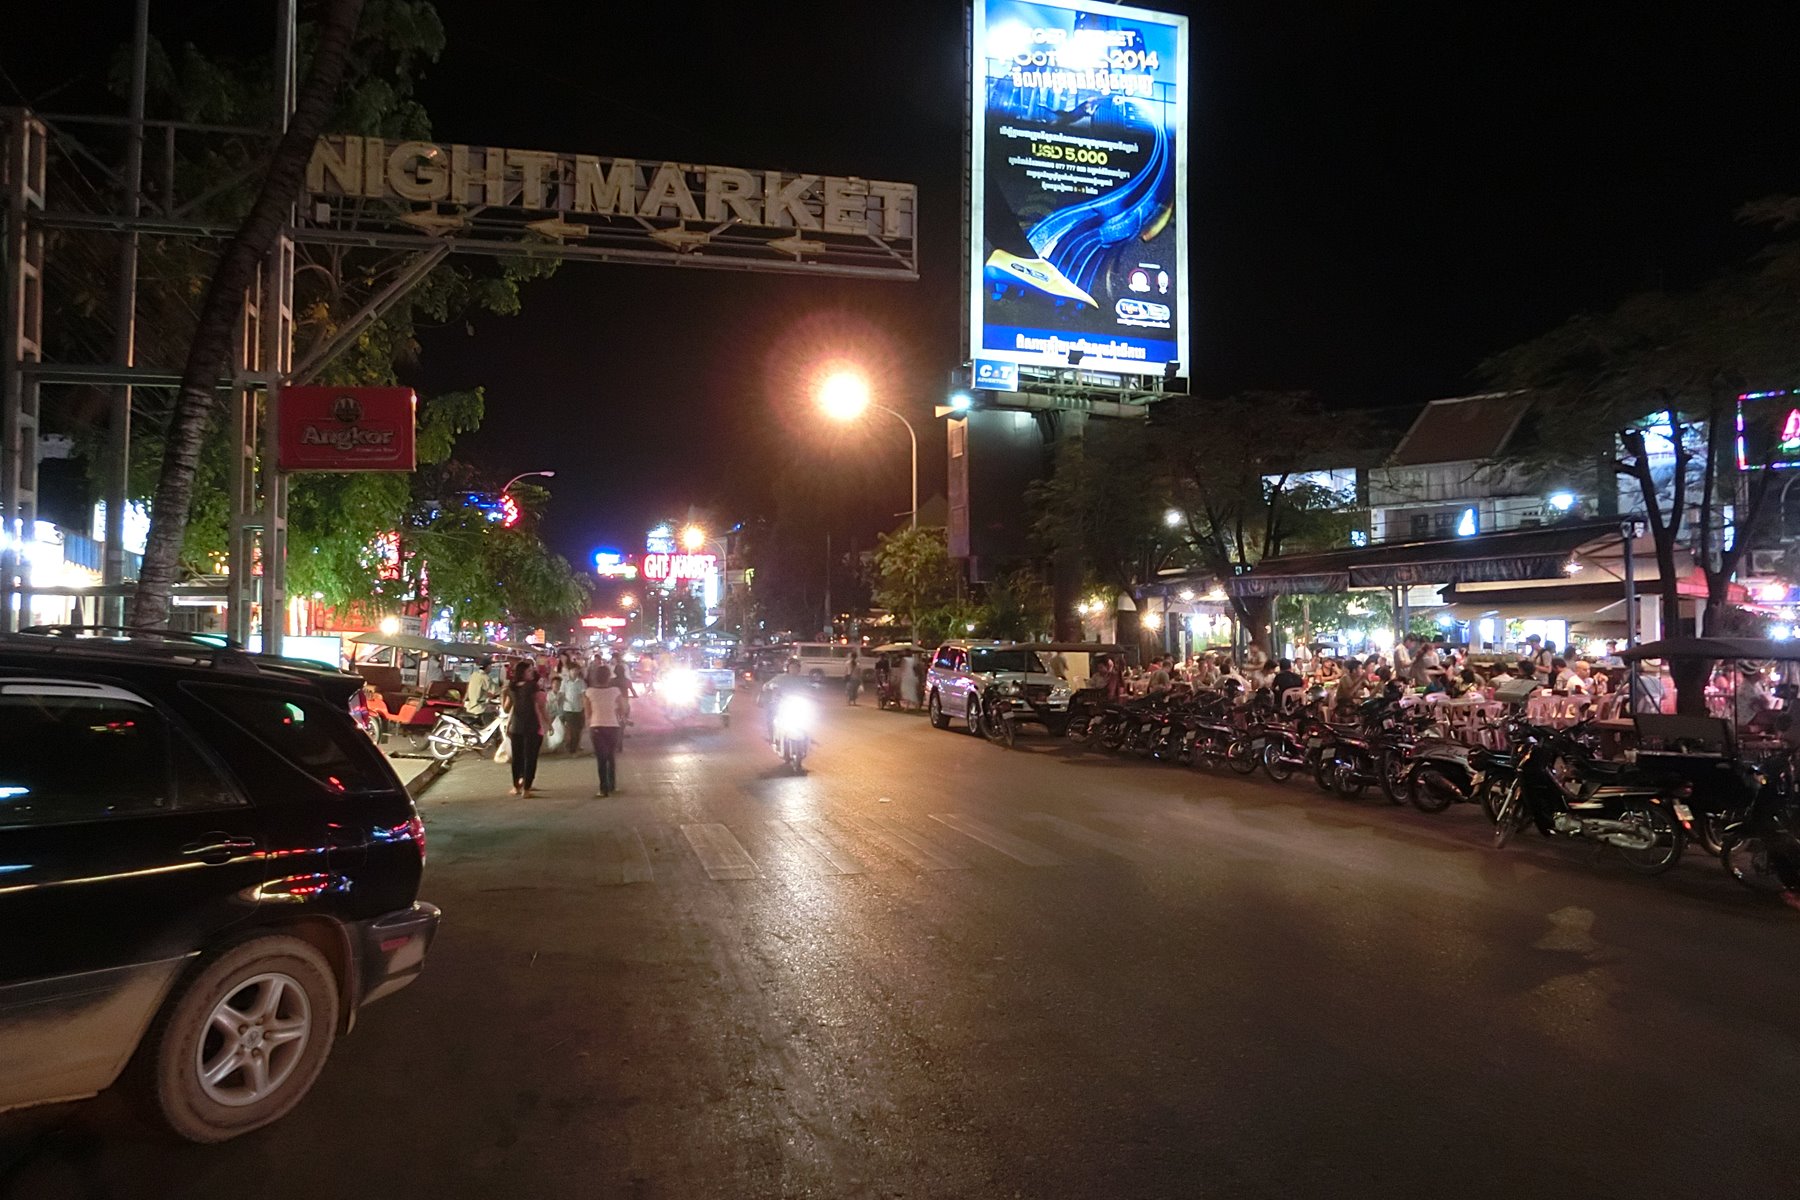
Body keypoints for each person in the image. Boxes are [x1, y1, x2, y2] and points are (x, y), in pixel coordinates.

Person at [504, 660, 551, 798]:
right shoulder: (532, 686)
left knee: (517, 758)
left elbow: (507, 708)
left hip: (516, 726)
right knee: (530, 758)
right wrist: (548, 723)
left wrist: (504, 695)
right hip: (531, 725)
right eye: (529, 670)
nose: (532, 673)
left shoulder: (512, 687)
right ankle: (526, 789)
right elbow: (541, 706)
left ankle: (516, 786)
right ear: (523, 672)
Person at [583, 663, 626, 796]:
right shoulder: (615, 691)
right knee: (610, 756)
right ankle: (612, 785)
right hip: (613, 726)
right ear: (608, 677)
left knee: (601, 758)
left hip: (596, 726)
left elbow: (588, 713)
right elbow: (622, 709)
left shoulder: (589, 692)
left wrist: (588, 724)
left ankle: (603, 788)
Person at [557, 660, 586, 753]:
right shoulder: (565, 682)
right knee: (572, 729)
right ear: (569, 671)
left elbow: (583, 695)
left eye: (577, 670)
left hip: (579, 709)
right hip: (568, 709)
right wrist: (559, 700)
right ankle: (572, 749)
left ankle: (573, 746)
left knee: (578, 729)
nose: (575, 672)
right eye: (573, 670)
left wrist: (585, 706)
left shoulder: (581, 682)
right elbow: (561, 693)